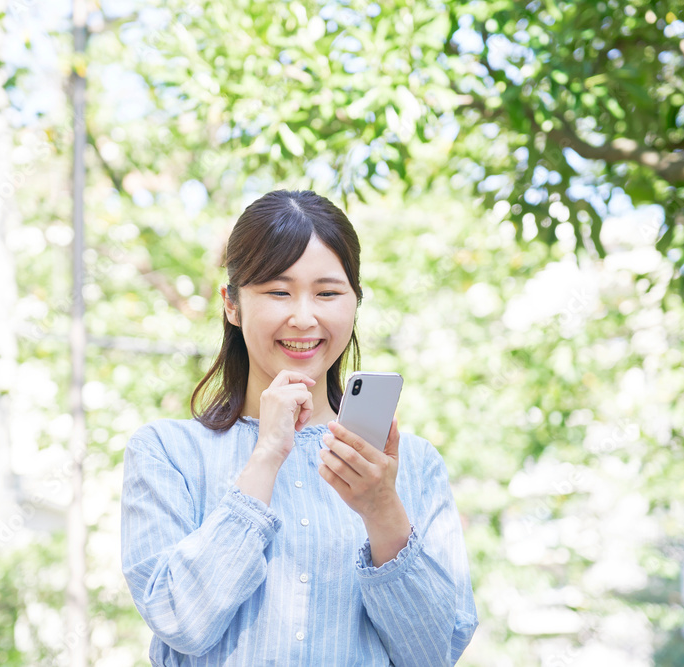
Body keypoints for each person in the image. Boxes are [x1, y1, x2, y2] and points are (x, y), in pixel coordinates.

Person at [120, 189, 478, 666]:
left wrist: (382, 511)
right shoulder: (165, 452)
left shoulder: (410, 465)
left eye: (328, 293)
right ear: (231, 303)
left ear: (355, 303)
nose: (304, 317)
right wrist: (264, 457)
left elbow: (433, 653)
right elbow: (180, 619)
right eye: (278, 291)